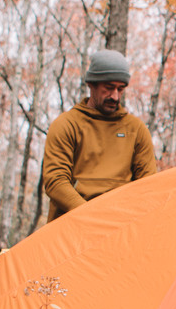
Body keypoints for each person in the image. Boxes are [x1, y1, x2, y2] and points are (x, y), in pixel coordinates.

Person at [41, 48, 158, 222]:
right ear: (92, 84)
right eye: (109, 88)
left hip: (120, 227)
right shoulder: (67, 125)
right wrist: (90, 215)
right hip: (72, 225)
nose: (115, 96)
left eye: (121, 89)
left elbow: (148, 187)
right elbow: (55, 182)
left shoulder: (136, 130)